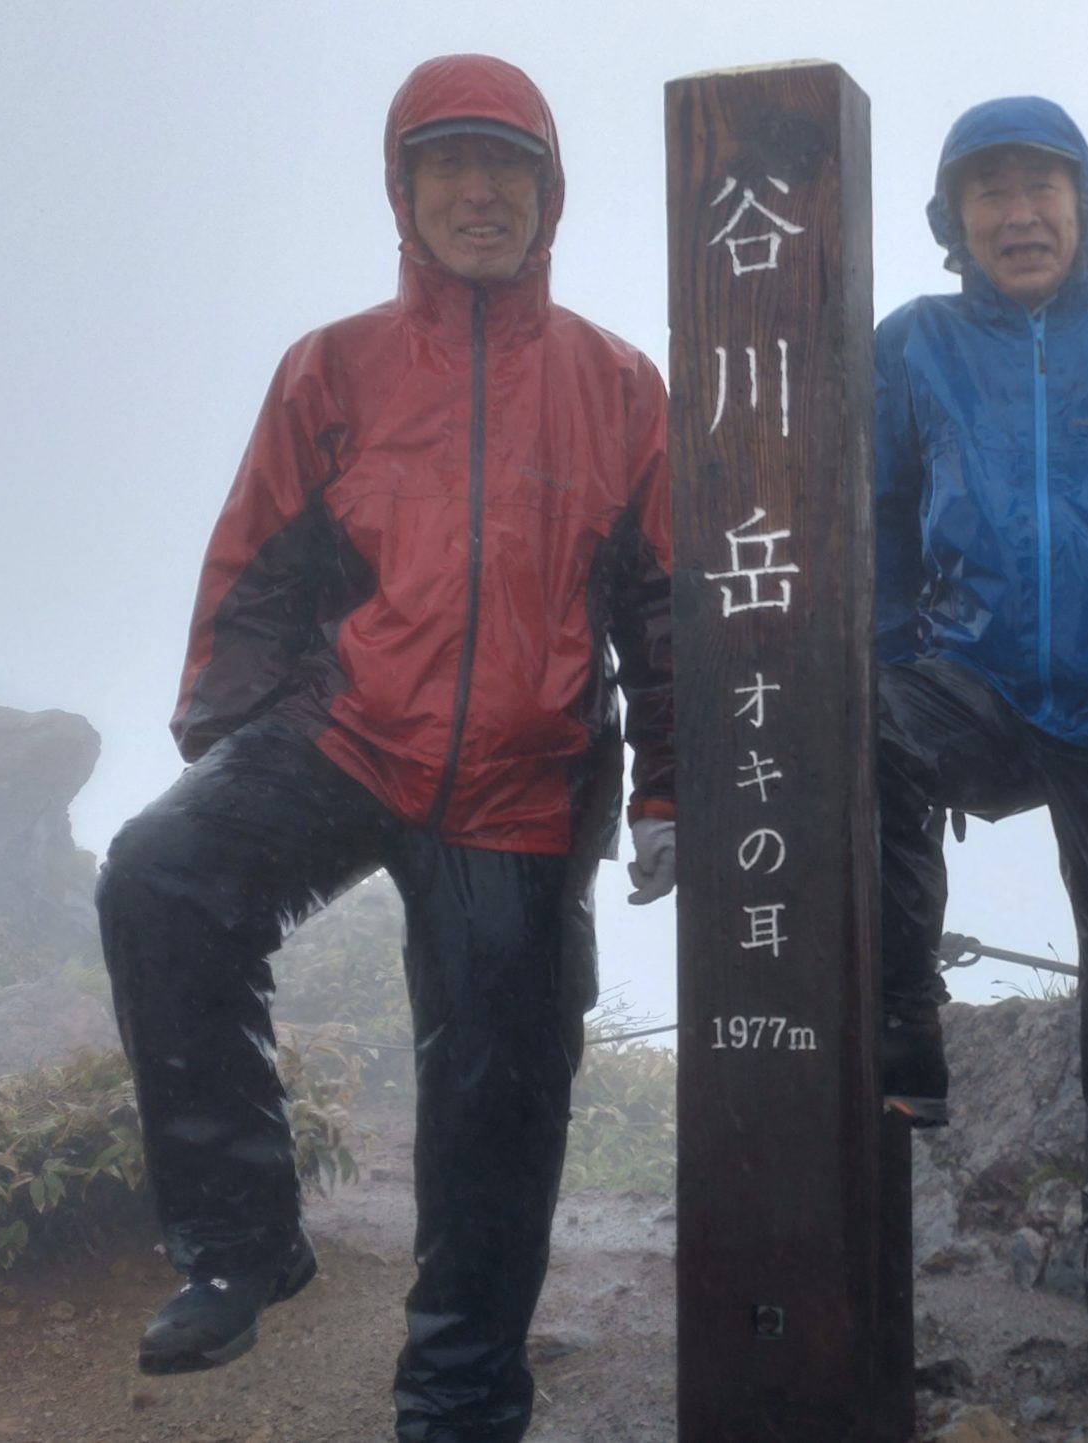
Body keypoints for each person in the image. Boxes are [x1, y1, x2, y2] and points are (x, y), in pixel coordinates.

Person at [96, 53, 675, 1443]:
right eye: (447, 164)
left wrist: (669, 787)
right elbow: (256, 570)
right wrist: (227, 750)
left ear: (550, 194)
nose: (480, 192)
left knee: (498, 1095)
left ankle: (460, 1401)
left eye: (508, 167)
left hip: (525, 780)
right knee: (161, 876)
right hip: (350, 732)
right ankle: (242, 1241)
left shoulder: (615, 384)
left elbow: (663, 606)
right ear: (402, 192)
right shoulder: (334, 366)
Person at [872, 96, 1088, 1378]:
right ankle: (906, 1020)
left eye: (1041, 188)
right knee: (861, 734)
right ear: (953, 222)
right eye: (989, 193)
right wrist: (897, 656)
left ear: (1085, 207)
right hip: (979, 683)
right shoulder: (917, 344)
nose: (1017, 214)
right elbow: (873, 518)